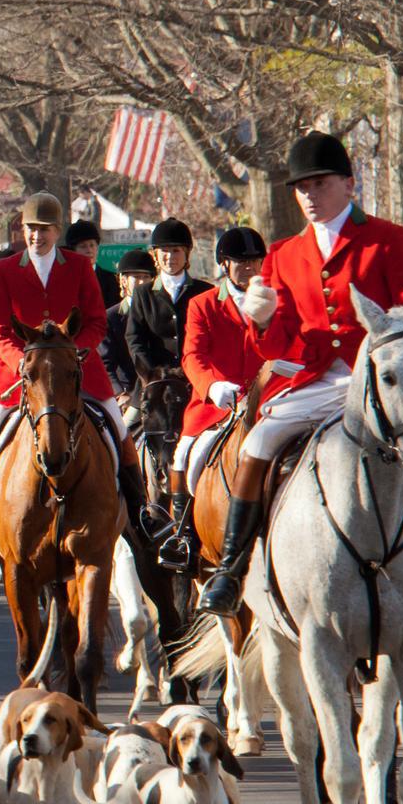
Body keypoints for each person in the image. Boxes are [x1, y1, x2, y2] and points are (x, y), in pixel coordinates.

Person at [197, 131, 403, 624]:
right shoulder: (283, 254)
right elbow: (277, 346)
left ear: (349, 185)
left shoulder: (387, 239)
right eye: (301, 187)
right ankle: (230, 568)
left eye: (320, 184)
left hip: (383, 381)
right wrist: (262, 322)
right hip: (317, 381)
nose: (309, 195)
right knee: (257, 444)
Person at [0, 194, 153, 555]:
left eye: (44, 229)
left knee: (120, 431)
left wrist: (73, 352)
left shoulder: (79, 266)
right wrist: (21, 360)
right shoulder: (5, 270)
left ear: (57, 231)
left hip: (77, 371)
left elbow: (96, 322)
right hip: (19, 375)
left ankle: (142, 515)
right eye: (31, 228)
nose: (36, 236)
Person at [159, 227, 273, 571]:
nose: (249, 267)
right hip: (216, 406)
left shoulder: (274, 301)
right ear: (224, 264)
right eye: (240, 262)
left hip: (266, 401)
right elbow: (192, 355)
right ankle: (183, 538)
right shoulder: (203, 304)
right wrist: (212, 386)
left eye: (255, 261)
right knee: (184, 456)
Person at [126, 218, 213, 377]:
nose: (170, 256)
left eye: (176, 250)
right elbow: (135, 339)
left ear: (186, 254)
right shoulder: (142, 294)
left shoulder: (205, 291)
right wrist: (152, 374)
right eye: (164, 250)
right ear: (155, 254)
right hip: (155, 380)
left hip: (196, 378)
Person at [104, 248, 156, 401]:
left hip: (158, 389)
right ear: (123, 280)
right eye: (137, 277)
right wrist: (120, 394)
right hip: (127, 393)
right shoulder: (111, 317)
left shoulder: (160, 312)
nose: (142, 282)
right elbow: (105, 364)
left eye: (146, 277)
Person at [61, 219, 120, 316]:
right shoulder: (63, 279)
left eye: (92, 245)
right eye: (83, 246)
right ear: (73, 251)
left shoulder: (111, 280)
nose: (89, 250)